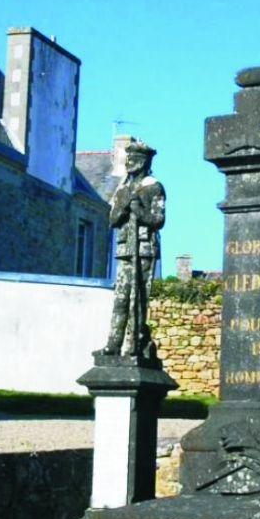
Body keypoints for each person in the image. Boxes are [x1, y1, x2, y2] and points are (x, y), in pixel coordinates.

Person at [104, 140, 166, 358]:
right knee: (121, 297)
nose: (130, 162)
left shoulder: (154, 187)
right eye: (128, 158)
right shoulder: (123, 189)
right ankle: (113, 344)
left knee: (138, 299)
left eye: (135, 159)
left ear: (144, 162)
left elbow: (158, 219)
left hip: (144, 248)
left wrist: (139, 211)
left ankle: (135, 343)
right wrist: (122, 208)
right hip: (125, 249)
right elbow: (112, 220)